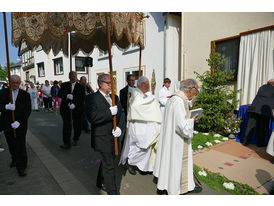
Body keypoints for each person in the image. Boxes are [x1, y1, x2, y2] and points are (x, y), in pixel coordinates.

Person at [153, 79, 201, 195]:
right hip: (176, 140)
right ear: (190, 89)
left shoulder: (173, 98)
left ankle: (164, 185)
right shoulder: (179, 101)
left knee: (169, 162)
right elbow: (182, 126)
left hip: (170, 137)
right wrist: (192, 121)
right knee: (175, 163)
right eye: (196, 90)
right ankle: (175, 188)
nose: (196, 92)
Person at [86, 73, 125, 195]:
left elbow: (121, 114)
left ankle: (99, 181)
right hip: (102, 137)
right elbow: (92, 117)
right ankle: (113, 193)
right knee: (109, 166)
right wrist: (109, 112)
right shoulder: (92, 98)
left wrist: (119, 127)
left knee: (107, 161)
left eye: (111, 83)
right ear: (99, 84)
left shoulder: (115, 97)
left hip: (114, 136)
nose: (110, 85)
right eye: (108, 83)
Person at [121, 76, 162, 175]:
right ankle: (130, 162)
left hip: (146, 125)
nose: (149, 87)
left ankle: (142, 166)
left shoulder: (142, 94)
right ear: (142, 85)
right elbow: (135, 107)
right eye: (147, 85)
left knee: (146, 146)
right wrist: (150, 100)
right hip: (137, 125)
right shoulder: (135, 93)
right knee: (138, 146)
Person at [0, 75, 31, 177]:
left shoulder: (25, 95)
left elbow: (27, 110)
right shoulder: (3, 92)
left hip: (20, 125)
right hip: (7, 124)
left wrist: (19, 122)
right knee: (11, 145)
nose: (15, 85)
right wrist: (6, 106)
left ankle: (22, 166)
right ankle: (14, 159)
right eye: (13, 82)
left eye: (17, 83)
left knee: (21, 145)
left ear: (20, 83)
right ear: (9, 82)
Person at [58, 71, 85, 149]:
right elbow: (59, 94)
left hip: (77, 110)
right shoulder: (64, 85)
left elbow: (82, 98)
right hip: (66, 110)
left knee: (77, 126)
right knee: (66, 126)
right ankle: (66, 143)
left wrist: (75, 104)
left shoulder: (81, 87)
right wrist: (66, 96)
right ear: (69, 76)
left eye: (74, 76)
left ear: (76, 77)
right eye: (71, 76)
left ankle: (76, 138)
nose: (72, 77)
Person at [243, 79, 274, 147]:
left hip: (254, 108)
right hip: (264, 111)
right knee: (262, 128)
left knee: (250, 126)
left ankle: (245, 142)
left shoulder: (262, 87)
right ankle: (260, 143)